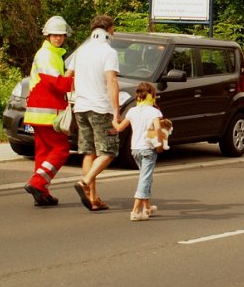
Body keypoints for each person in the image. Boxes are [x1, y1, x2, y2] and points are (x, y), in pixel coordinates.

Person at [23, 16, 75, 206]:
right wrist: (78, 82)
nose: (58, 38)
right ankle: (37, 183)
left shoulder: (51, 54)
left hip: (39, 113)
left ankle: (42, 193)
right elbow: (56, 83)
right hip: (47, 113)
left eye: (61, 35)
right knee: (61, 150)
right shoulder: (46, 55)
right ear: (48, 35)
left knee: (43, 153)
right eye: (55, 35)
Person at [70, 15, 120, 211]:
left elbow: (68, 76)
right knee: (109, 150)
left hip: (80, 107)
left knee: (89, 152)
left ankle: (93, 198)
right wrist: (116, 111)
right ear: (110, 29)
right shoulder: (108, 52)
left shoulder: (81, 51)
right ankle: (85, 182)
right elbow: (111, 82)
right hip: (100, 107)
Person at [112, 82, 162, 221]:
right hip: (148, 149)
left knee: (146, 177)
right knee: (145, 179)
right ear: (152, 95)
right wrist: (159, 142)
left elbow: (119, 127)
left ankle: (147, 207)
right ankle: (135, 211)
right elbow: (158, 128)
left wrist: (114, 119)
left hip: (135, 149)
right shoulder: (154, 111)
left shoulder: (132, 111)